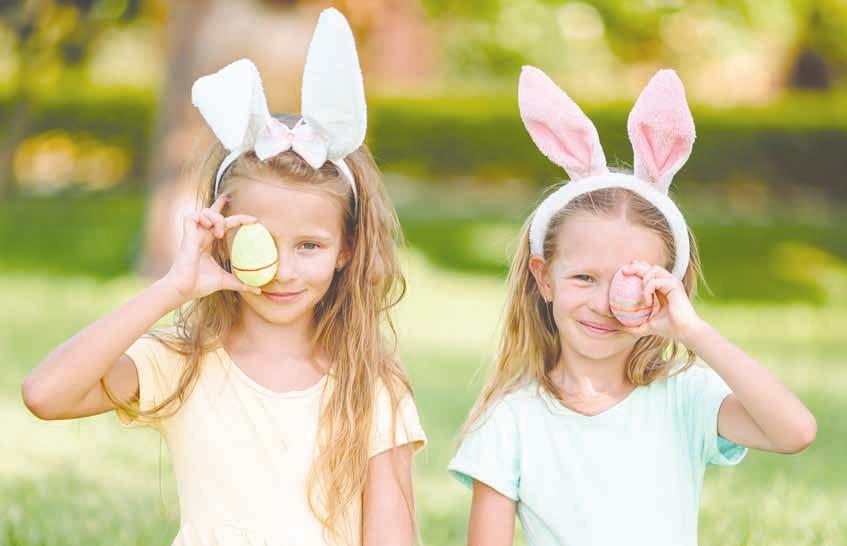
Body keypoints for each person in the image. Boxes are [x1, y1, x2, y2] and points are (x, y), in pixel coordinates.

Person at [22, 9, 426, 546]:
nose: (283, 269)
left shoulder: (370, 387)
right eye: (259, 238)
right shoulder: (186, 363)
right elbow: (45, 394)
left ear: (346, 248)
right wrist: (173, 288)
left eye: (309, 245)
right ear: (223, 236)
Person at [447, 66, 816, 546]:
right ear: (544, 278)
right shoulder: (512, 422)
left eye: (628, 279)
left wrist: (693, 332)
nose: (603, 304)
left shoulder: (684, 398)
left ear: (665, 286)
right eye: (584, 278)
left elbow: (795, 432)